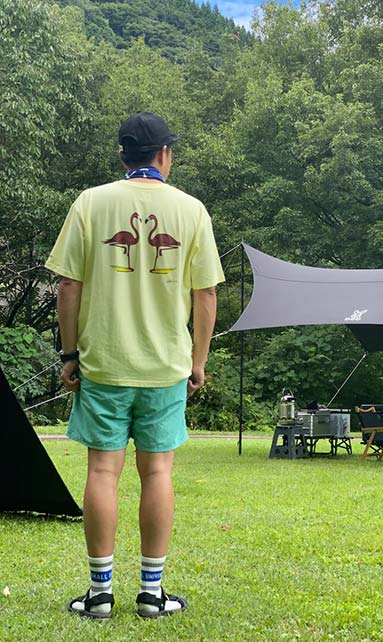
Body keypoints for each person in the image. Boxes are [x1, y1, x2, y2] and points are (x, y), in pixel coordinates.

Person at [45, 111, 225, 619]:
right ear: (164, 154)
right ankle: (151, 592)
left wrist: (70, 354)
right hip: (165, 368)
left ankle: (99, 594)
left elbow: (68, 285)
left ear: (123, 156)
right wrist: (198, 361)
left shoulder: (90, 202)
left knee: (103, 471)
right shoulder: (191, 210)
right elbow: (206, 293)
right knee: (158, 471)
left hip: (103, 364)